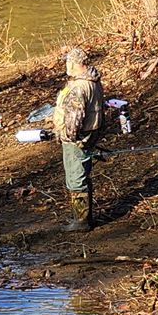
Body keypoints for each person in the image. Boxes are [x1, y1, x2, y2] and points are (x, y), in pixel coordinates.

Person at [53, 48, 105, 232]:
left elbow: (74, 119)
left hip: (77, 139)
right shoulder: (93, 81)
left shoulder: (78, 87)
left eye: (68, 62)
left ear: (75, 64)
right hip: (90, 134)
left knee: (76, 178)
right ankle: (84, 217)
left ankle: (81, 221)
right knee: (83, 173)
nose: (66, 65)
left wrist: (65, 137)